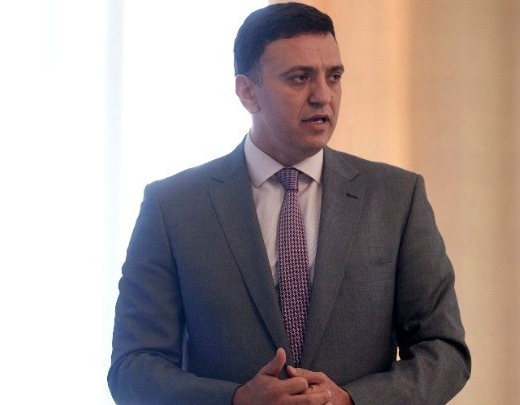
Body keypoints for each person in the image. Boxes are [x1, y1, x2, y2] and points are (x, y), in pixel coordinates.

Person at [108, 2, 470, 404]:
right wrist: (236, 399)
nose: (323, 96)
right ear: (248, 92)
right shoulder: (173, 207)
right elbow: (133, 366)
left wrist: (352, 400)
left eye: (334, 77)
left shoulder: (397, 198)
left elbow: (445, 351)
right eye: (300, 78)